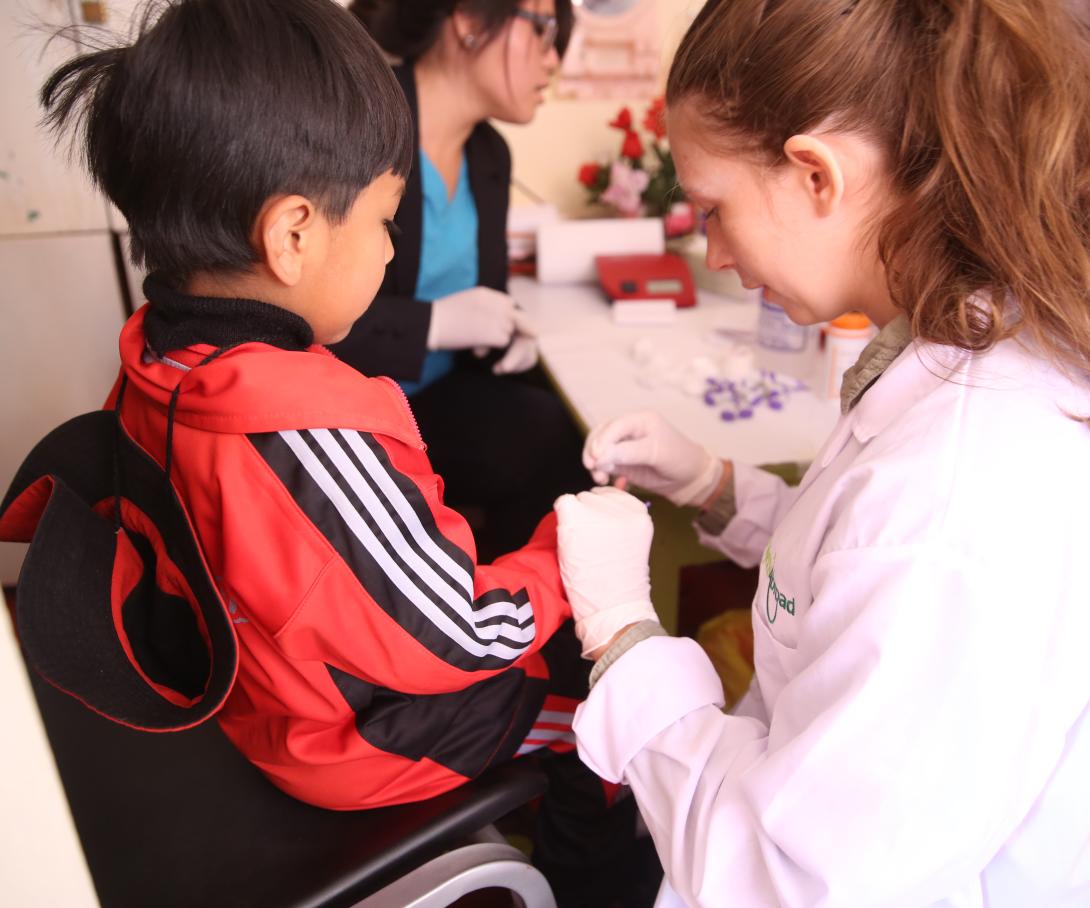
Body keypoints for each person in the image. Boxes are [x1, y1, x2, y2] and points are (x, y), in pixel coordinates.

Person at [33, 2, 650, 902]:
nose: (392, 246)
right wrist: (571, 560)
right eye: (384, 222)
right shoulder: (306, 433)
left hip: (259, 684)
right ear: (291, 237)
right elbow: (463, 631)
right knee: (604, 722)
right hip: (343, 741)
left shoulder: (160, 361)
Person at [552, 0, 1090, 905]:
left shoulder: (948, 498)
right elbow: (851, 573)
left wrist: (625, 638)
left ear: (815, 175)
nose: (712, 250)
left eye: (714, 209)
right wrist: (718, 487)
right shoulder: (966, 342)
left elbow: (783, 880)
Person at [331, 0, 589, 561]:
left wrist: (500, 330)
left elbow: (484, 292)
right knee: (545, 438)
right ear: (470, 21)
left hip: (442, 394)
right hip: (359, 407)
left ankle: (515, 612)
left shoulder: (489, 154)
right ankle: (507, 622)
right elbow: (303, 317)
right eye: (544, 33)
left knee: (573, 418)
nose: (552, 62)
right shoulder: (359, 126)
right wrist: (435, 324)